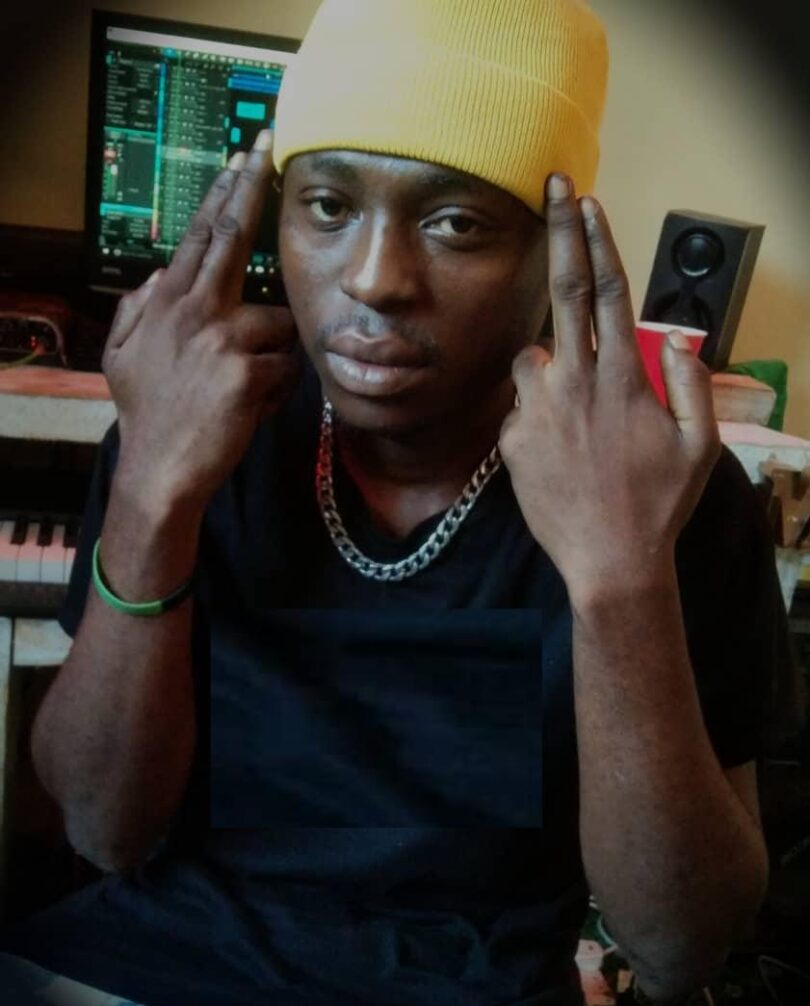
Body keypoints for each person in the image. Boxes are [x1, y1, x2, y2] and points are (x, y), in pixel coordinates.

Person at [0, 1, 790, 1004]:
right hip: (155, 962)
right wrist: (155, 487)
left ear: (553, 253)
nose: (374, 280)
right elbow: (102, 828)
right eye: (328, 206)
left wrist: (620, 578)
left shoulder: (670, 495)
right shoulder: (189, 430)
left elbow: (680, 948)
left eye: (455, 222)